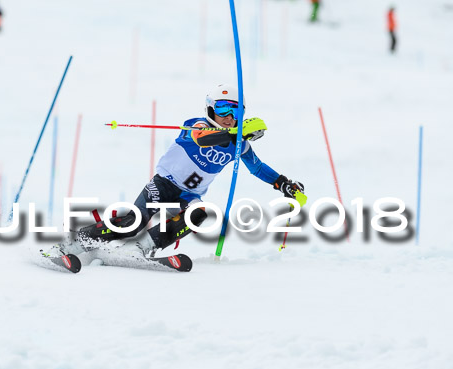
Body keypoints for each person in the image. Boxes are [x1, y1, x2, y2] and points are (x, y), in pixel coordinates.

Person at [52, 84, 305, 257]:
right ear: (210, 109)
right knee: (133, 221)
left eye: (235, 111)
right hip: (164, 184)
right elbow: (200, 139)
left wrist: (283, 183)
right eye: (223, 109)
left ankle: (140, 248)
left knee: (199, 214)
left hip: (187, 196)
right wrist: (232, 135)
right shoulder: (197, 125)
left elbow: (258, 168)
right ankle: (77, 242)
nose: (229, 116)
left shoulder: (240, 145)